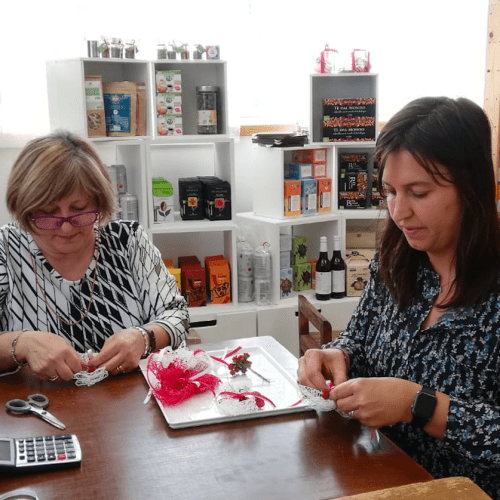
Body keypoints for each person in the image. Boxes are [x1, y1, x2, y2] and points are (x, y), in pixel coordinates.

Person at [298, 96, 500, 499]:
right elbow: (360, 339)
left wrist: (418, 405)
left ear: (471, 188)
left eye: (419, 193)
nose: (399, 211)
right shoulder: (395, 261)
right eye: (390, 191)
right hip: (377, 476)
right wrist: (337, 356)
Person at [0, 131, 189, 382]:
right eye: (48, 213)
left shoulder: (127, 240)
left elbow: (177, 314)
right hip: (32, 402)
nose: (66, 228)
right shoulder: (6, 248)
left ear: (99, 203)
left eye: (79, 210)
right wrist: (21, 344)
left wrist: (144, 337)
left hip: (128, 402)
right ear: (25, 210)